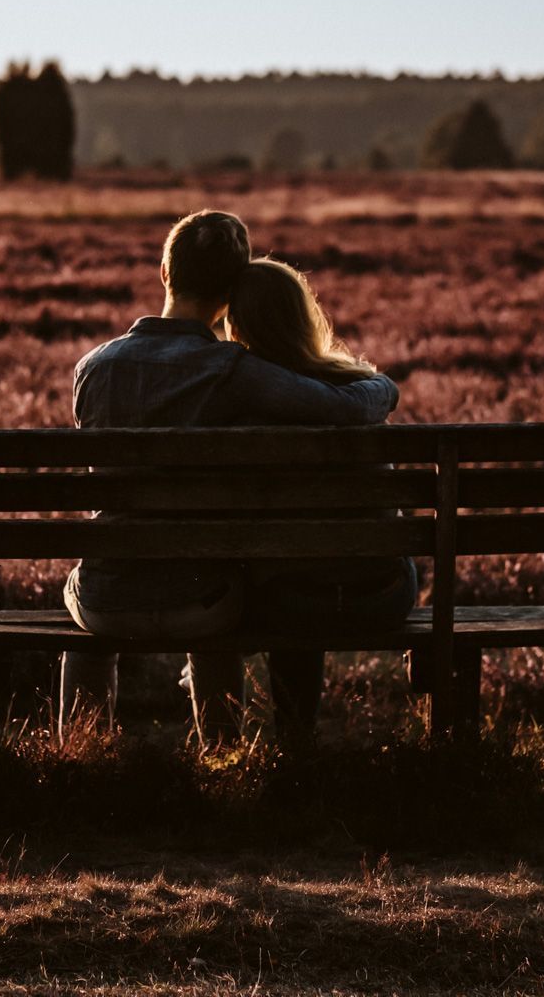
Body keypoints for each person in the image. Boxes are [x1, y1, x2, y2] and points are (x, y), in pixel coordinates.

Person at [61, 210, 400, 744]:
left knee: (83, 598)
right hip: (204, 603)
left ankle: (78, 749)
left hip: (105, 599)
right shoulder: (234, 371)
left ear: (165, 272)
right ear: (230, 291)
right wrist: (382, 384)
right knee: (215, 583)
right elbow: (346, 408)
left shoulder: (93, 368)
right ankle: (220, 754)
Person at [222, 257, 420, 741]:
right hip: (384, 596)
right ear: (304, 315)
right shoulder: (358, 389)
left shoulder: (239, 403)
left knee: (291, 577)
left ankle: (295, 739)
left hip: (289, 605)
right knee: (316, 567)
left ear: (237, 326)